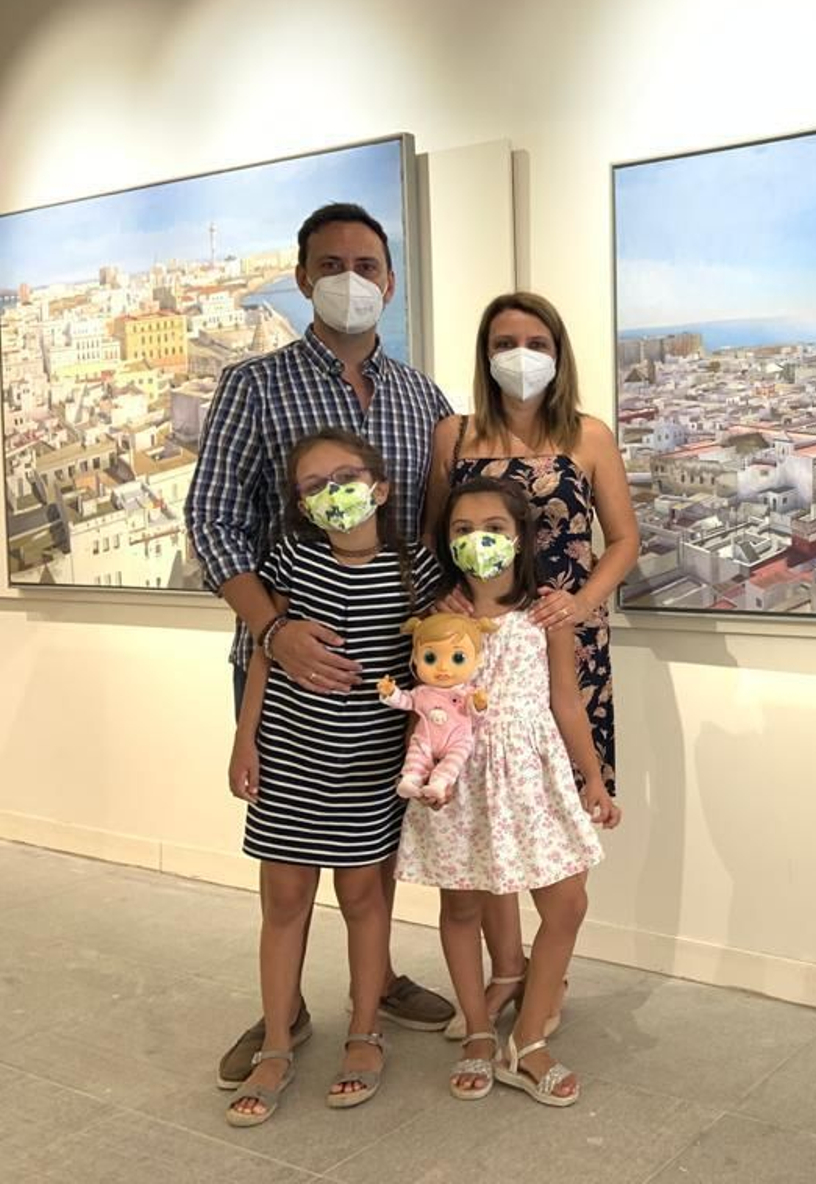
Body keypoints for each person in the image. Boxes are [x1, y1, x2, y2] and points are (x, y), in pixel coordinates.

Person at [186, 202, 456, 1090]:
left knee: (373, 853)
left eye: (368, 264)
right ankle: (285, 1015)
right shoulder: (253, 387)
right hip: (283, 664)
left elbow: (440, 530)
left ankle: (372, 989)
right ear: (302, 278)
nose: (351, 278)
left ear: (389, 279)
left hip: (391, 678)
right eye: (332, 263)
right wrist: (273, 627)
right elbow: (213, 522)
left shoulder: (424, 396)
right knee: (291, 863)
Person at [423, 292, 638, 1039]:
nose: (521, 353)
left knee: (546, 804)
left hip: (560, 640)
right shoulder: (454, 434)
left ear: (559, 351)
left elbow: (623, 542)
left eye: (537, 339)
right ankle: (506, 968)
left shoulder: (588, 434)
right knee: (487, 810)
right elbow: (432, 538)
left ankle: (543, 977)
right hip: (476, 647)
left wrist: (577, 605)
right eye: (505, 340)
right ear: (484, 353)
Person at [225, 430, 444, 1126]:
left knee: (362, 900)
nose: (332, 494)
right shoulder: (291, 557)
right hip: (289, 755)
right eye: (313, 487)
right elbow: (266, 651)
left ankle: (364, 1030)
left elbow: (431, 674)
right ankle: (279, 1040)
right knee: (283, 901)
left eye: (344, 478)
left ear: (381, 488)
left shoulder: (419, 571)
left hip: (369, 767)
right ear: (302, 505)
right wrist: (244, 736)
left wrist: (428, 757)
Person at [397, 477, 620, 1105]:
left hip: (533, 774)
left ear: (519, 536)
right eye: (463, 531)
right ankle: (475, 1031)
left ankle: (527, 1038)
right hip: (460, 776)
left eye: (493, 528)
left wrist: (592, 778)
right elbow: (426, 703)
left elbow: (566, 700)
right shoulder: (437, 615)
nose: (478, 541)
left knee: (567, 903)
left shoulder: (546, 610)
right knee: (463, 906)